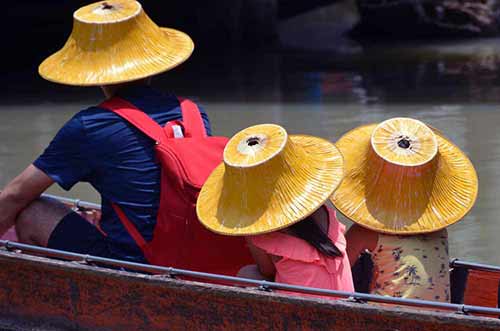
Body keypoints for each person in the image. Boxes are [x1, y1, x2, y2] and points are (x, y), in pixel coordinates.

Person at [0, 0, 253, 271]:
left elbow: (15, 195)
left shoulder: (91, 125)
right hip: (194, 256)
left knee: (32, 211)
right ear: (152, 64)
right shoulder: (193, 113)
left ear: (93, 70)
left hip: (136, 263)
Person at [196, 124, 354, 298]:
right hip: (344, 303)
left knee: (246, 273)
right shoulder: (325, 213)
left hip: (303, 314)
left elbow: (267, 272)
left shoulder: (260, 236)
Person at [330, 117, 478, 302]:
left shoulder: (365, 231)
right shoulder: (438, 229)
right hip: (440, 318)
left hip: (390, 320)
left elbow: (335, 272)